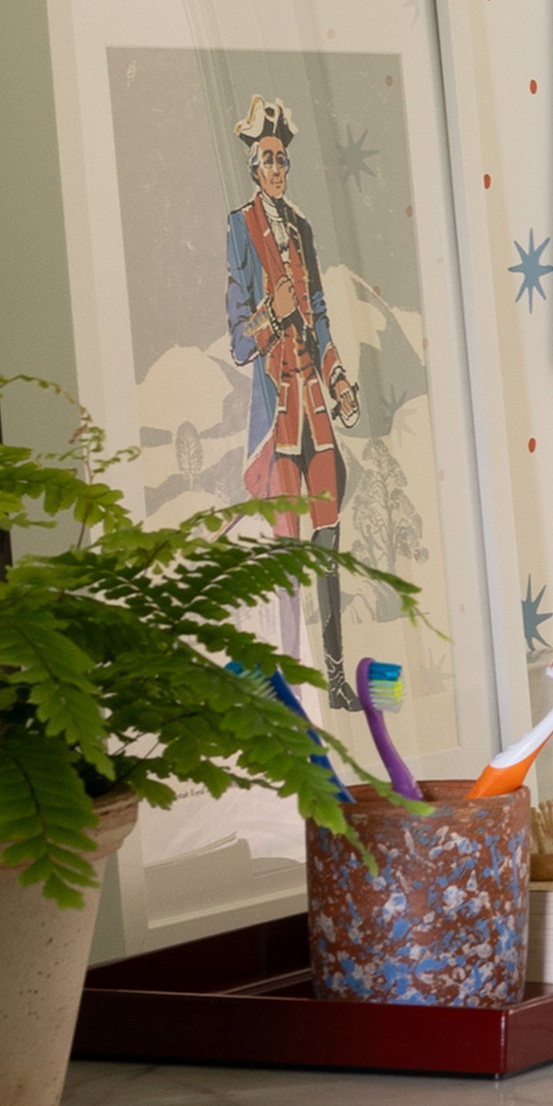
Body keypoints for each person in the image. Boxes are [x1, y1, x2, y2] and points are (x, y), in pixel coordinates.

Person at [222, 93, 361, 695]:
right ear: (254, 166)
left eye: (283, 159)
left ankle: (332, 674)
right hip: (276, 413)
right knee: (286, 554)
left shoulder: (301, 229)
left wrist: (337, 378)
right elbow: (237, 342)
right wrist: (271, 317)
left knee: (328, 540)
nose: (277, 169)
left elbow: (321, 314)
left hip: (315, 405)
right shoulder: (238, 228)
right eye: (268, 159)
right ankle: (284, 679)